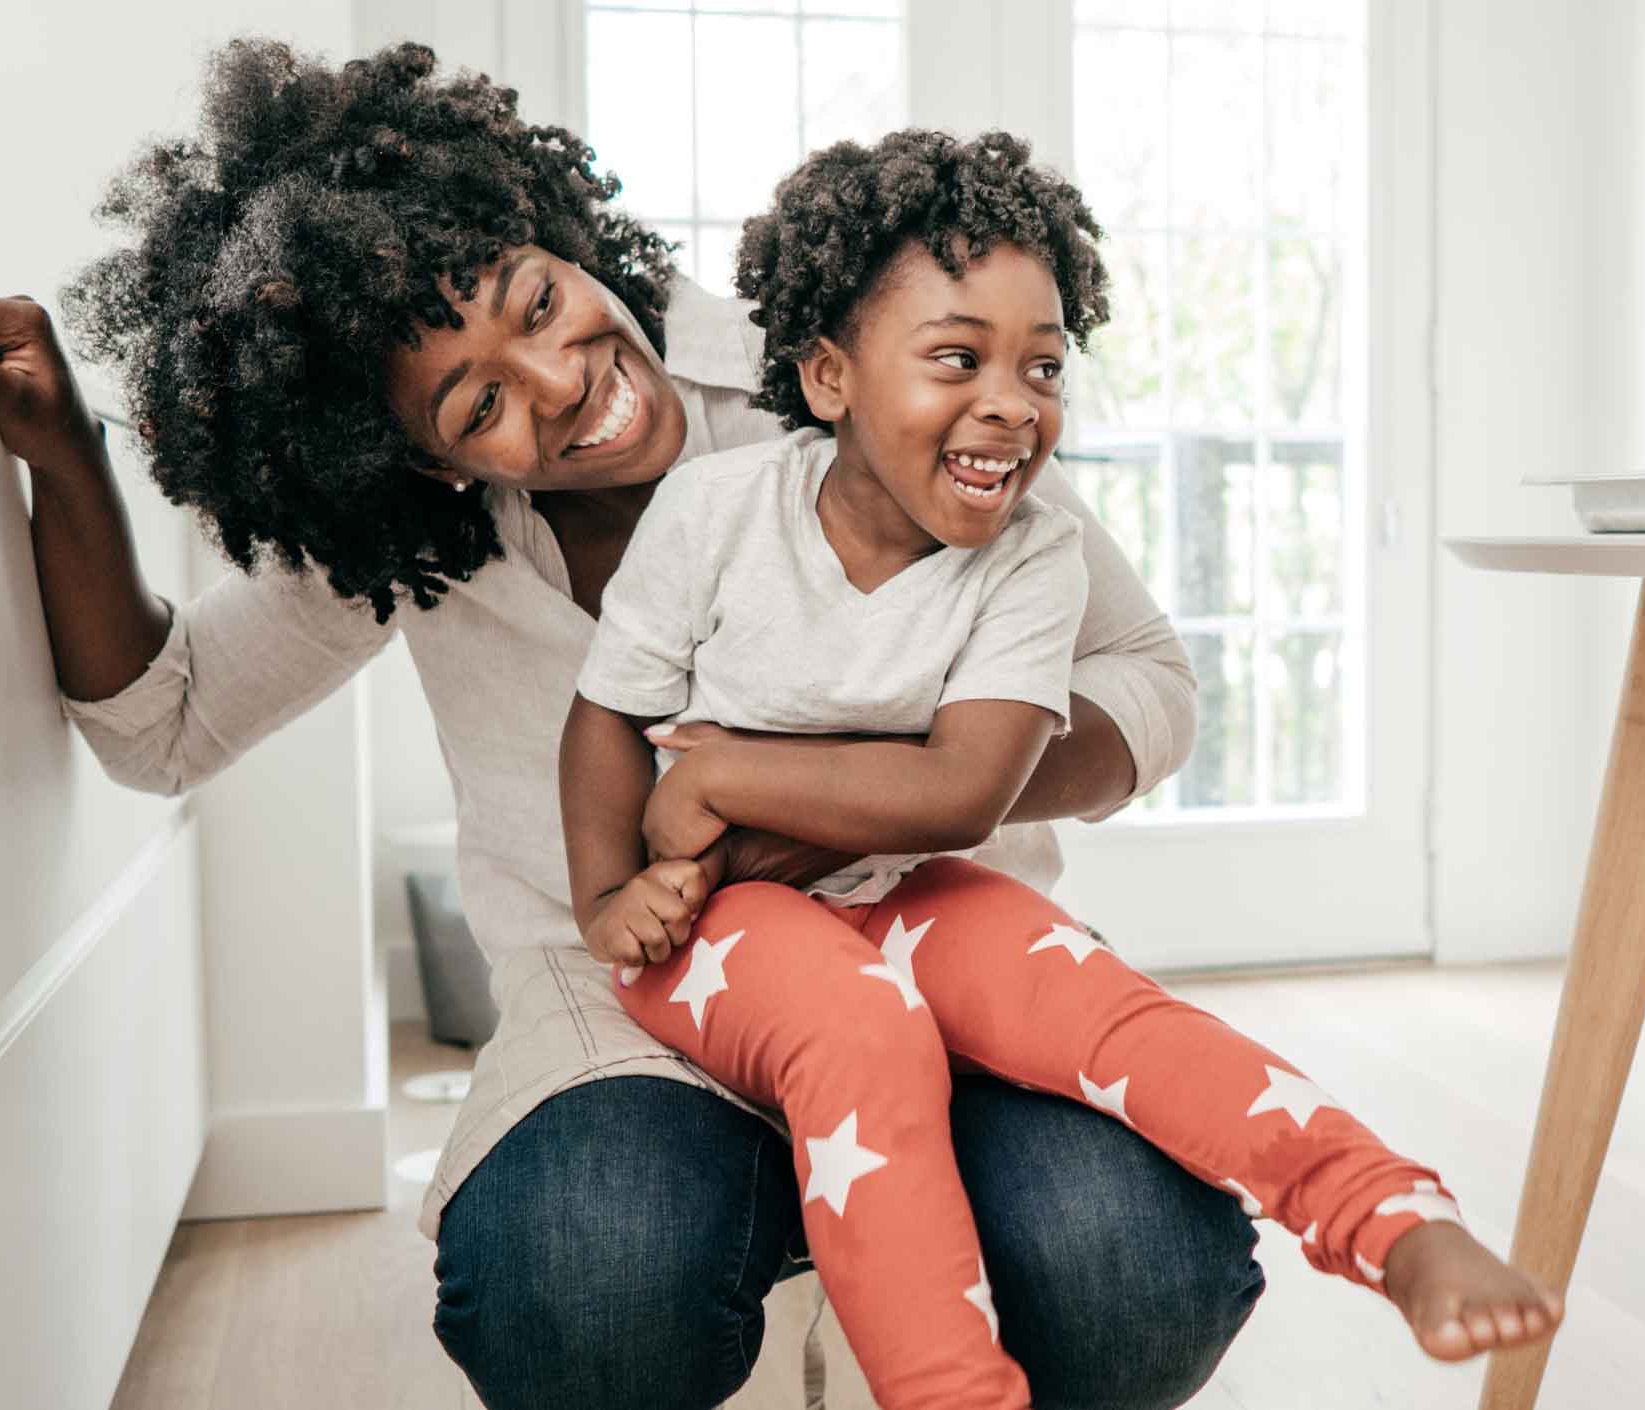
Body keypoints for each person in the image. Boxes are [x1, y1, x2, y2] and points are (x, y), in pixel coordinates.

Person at [0, 39, 1258, 1409]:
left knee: (1136, 1270)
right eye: (479, 403)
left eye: (537, 301)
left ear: (563, 238)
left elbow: (1148, 677)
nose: (560, 382)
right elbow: (162, 726)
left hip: (941, 950)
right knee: (584, 1284)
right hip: (638, 1007)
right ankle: (784, 1235)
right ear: (420, 466)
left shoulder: (839, 375)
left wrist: (920, 784)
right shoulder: (420, 543)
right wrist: (66, 455)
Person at [555, 129, 1561, 1408]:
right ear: (828, 379)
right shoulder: (715, 515)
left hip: (906, 883)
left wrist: (721, 779)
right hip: (718, 918)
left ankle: (1391, 1220)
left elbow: (962, 792)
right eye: (958, 358)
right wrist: (606, 898)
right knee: (855, 1027)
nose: (1012, 401)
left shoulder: (1033, 553)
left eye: (1042, 365)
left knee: (1095, 1000)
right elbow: (603, 720)